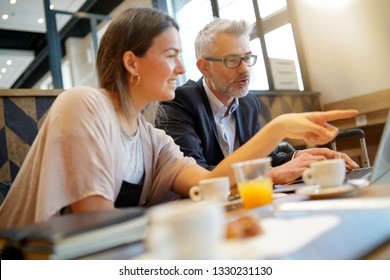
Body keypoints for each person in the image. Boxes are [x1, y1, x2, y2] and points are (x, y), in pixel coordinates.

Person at [0, 8, 357, 230]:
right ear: (131, 63)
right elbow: (97, 224)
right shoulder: (83, 104)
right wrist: (278, 128)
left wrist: (281, 153)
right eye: (171, 55)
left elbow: (212, 182)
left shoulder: (150, 139)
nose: (183, 68)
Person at [157, 17, 359, 185]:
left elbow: (267, 159)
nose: (244, 69)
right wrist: (266, 176)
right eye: (232, 60)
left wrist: (300, 158)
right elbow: (200, 176)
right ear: (204, 68)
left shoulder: (248, 102)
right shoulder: (179, 103)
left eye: (247, 58)